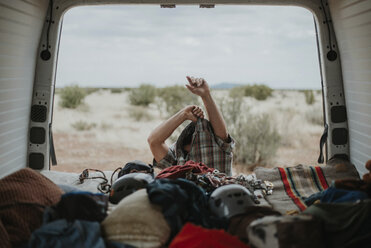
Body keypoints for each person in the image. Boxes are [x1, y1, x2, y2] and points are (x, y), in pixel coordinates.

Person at [147, 76, 235, 175]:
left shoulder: (218, 147)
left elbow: (221, 133)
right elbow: (153, 141)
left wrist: (205, 95)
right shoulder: (177, 155)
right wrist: (184, 114)